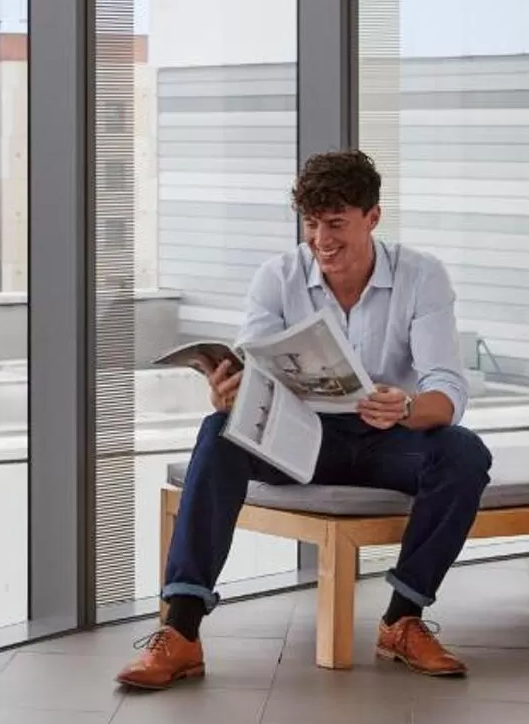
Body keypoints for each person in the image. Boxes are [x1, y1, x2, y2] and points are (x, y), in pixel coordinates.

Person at [120, 149, 492, 688]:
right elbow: (252, 370)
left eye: (337, 223)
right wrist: (230, 392)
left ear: (373, 217)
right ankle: (181, 631)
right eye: (313, 224)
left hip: (388, 438)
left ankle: (402, 618)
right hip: (302, 439)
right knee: (216, 432)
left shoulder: (421, 277)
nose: (322, 240)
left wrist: (408, 407)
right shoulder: (279, 277)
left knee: (464, 453)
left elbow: (447, 388)